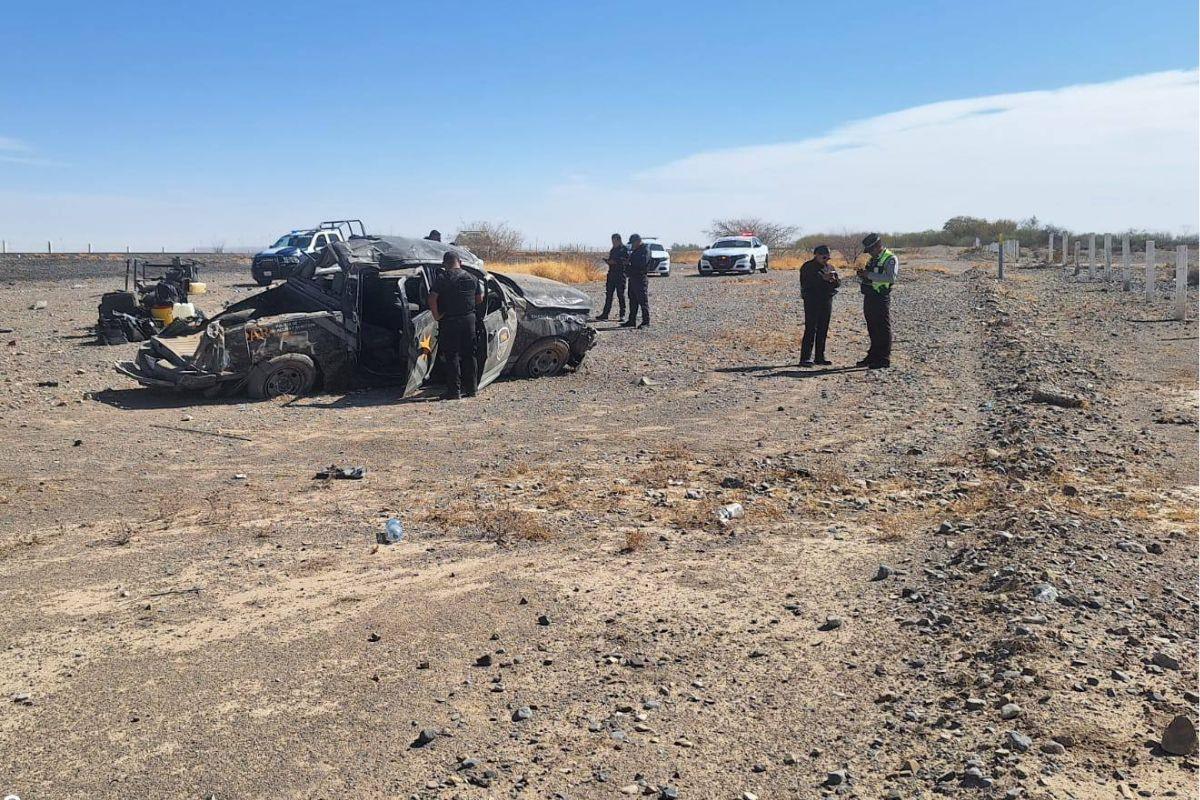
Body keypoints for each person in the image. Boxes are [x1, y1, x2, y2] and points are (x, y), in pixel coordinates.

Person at [428, 252, 484, 399]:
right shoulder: (473, 277)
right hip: (469, 320)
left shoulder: (442, 278)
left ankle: (454, 392)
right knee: (469, 355)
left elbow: (432, 298)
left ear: (444, 264)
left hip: (450, 320)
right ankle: (472, 389)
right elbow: (479, 299)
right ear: (460, 262)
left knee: (452, 355)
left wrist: (436, 315)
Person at [855, 233, 899, 369]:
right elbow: (872, 274)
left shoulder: (890, 258)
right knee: (872, 327)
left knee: (882, 328)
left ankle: (884, 358)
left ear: (878, 246)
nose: (870, 253)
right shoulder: (873, 259)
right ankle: (873, 355)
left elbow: (890, 278)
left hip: (880, 297)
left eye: (871, 250)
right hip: (870, 295)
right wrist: (863, 275)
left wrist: (868, 275)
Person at [798, 245, 840, 367]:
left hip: (826, 300)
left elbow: (838, 283)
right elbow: (807, 282)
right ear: (816, 254)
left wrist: (833, 280)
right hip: (812, 300)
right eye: (824, 256)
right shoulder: (807, 267)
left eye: (828, 257)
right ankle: (805, 358)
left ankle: (819, 357)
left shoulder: (830, 267)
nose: (826, 259)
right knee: (811, 328)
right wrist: (822, 278)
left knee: (823, 328)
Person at [597, 233, 629, 321]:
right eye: (612, 241)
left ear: (619, 240)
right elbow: (611, 260)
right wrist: (608, 261)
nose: (613, 243)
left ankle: (622, 315)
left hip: (620, 275)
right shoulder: (613, 250)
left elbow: (625, 261)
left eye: (614, 241)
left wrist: (616, 262)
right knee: (609, 295)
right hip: (611, 275)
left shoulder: (624, 249)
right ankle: (605, 314)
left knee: (620, 295)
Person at [622, 233, 651, 328]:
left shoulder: (644, 250)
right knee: (632, 300)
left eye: (633, 243)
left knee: (643, 301)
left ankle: (646, 321)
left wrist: (629, 263)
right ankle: (632, 320)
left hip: (640, 278)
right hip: (633, 278)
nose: (632, 245)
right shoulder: (636, 250)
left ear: (638, 241)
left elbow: (641, 264)